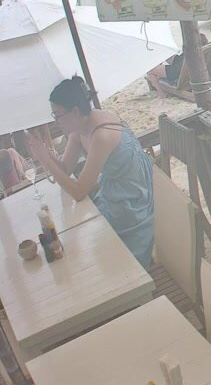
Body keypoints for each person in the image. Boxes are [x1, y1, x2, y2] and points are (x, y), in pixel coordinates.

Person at [25, 77, 155, 265]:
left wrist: (46, 160)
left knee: (90, 249)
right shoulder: (79, 128)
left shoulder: (101, 135)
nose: (55, 122)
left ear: (75, 111)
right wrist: (46, 152)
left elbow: (79, 192)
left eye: (57, 115)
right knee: (79, 233)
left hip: (132, 202)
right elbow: (65, 169)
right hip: (114, 192)